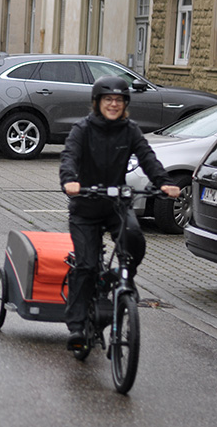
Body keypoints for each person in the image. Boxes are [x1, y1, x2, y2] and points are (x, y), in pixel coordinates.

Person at [59, 75, 180, 350]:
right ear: (97, 102)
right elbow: (69, 156)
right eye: (107, 99)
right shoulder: (83, 129)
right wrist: (69, 181)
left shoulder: (130, 130)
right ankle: (77, 327)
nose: (113, 104)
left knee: (135, 240)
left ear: (125, 104)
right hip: (85, 209)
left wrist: (164, 182)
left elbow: (149, 158)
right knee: (86, 265)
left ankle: (120, 278)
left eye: (119, 100)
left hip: (116, 206)